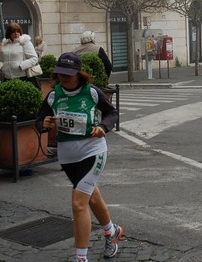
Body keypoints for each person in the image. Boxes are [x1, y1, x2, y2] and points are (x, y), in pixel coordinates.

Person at [36, 53, 122, 261]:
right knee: (91, 196)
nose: (64, 77)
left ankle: (80, 258)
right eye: (60, 73)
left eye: (68, 73)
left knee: (78, 203)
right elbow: (39, 120)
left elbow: (112, 113)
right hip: (67, 157)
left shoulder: (90, 92)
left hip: (92, 151)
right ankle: (112, 231)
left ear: (78, 73)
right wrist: (43, 124)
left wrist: (103, 127)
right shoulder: (54, 95)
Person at [0, 22, 40, 89]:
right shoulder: (4, 44)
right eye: (13, 32)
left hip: (23, 77)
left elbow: (34, 58)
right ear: (9, 33)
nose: (16, 33)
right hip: (7, 77)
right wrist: (1, 68)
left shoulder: (25, 42)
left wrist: (21, 66)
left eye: (18, 31)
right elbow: (0, 60)